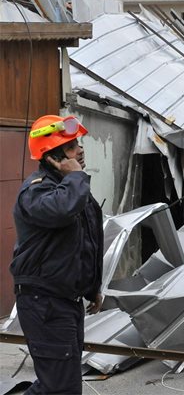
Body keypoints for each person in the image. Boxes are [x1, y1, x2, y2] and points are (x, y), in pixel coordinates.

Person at [10, 115, 103, 394]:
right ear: (53, 156)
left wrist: (92, 288)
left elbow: (87, 242)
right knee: (61, 387)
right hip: (44, 303)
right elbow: (62, 210)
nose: (80, 150)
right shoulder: (37, 190)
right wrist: (75, 176)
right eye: (73, 146)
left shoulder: (71, 189)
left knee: (61, 383)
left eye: (77, 143)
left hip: (65, 302)